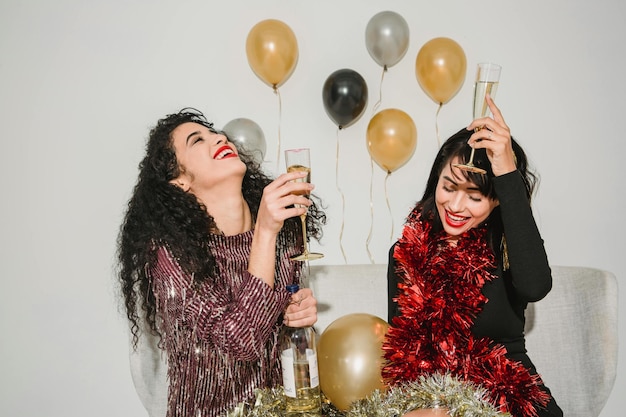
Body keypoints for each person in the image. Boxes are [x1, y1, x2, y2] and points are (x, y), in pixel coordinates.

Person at [117, 108, 326, 417]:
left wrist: (295, 316)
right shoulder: (169, 254)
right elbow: (240, 341)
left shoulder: (284, 235)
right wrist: (265, 231)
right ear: (179, 182)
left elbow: (279, 348)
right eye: (196, 140)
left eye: (214, 132)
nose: (217, 137)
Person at [383, 96, 563, 417]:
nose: (455, 206)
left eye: (475, 196)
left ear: (496, 201)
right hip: (437, 402)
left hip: (511, 397)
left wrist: (507, 173)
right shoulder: (406, 252)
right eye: (448, 187)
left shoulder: (508, 242)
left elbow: (536, 287)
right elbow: (403, 354)